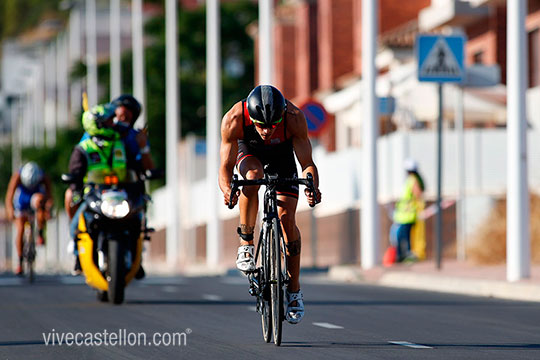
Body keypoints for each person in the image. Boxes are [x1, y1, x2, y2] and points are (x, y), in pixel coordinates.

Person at [219, 85, 322, 324]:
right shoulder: (234, 118)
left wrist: (312, 187)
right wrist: (227, 190)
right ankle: (246, 242)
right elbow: (225, 166)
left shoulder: (294, 118)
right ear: (250, 118)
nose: (266, 131)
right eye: (260, 125)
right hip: (249, 153)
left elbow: (307, 163)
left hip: (282, 157)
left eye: (272, 125)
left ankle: (294, 291)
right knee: (252, 177)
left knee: (287, 220)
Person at [5, 162, 53, 275]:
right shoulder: (17, 176)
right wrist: (10, 210)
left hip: (36, 197)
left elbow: (49, 195)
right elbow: (9, 195)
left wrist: (48, 210)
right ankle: (20, 261)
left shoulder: (43, 176)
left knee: (41, 203)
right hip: (22, 199)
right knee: (21, 228)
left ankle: (40, 233)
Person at [384, 158, 425, 265]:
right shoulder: (413, 179)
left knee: (404, 236)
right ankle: (402, 255)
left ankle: (406, 255)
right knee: (401, 236)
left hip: (407, 215)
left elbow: (417, 194)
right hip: (403, 215)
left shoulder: (412, 180)